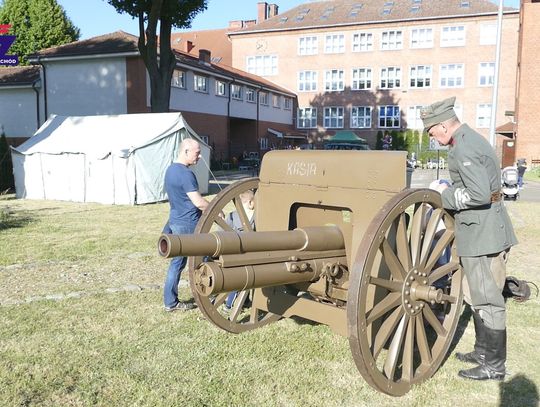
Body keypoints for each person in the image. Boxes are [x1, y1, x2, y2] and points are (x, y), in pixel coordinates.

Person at [421, 97, 518, 381]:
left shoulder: (463, 147)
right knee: (478, 295)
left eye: (431, 133)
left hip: (483, 233)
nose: (433, 139)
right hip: (483, 228)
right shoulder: (469, 140)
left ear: (442, 126)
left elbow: (476, 194)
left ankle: (494, 366)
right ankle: (482, 352)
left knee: (487, 299)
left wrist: (443, 193)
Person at [163, 138, 208, 312]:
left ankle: (170, 302)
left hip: (174, 221)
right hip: (189, 223)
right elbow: (198, 202)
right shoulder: (185, 174)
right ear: (186, 151)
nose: (199, 157)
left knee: (177, 263)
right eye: (197, 153)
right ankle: (207, 294)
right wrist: (214, 210)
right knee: (203, 259)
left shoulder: (170, 170)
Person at [224, 190, 255, 311]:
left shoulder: (232, 215)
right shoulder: (255, 215)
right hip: (246, 252)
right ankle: (229, 305)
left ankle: (245, 301)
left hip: (233, 251)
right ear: (251, 202)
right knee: (240, 281)